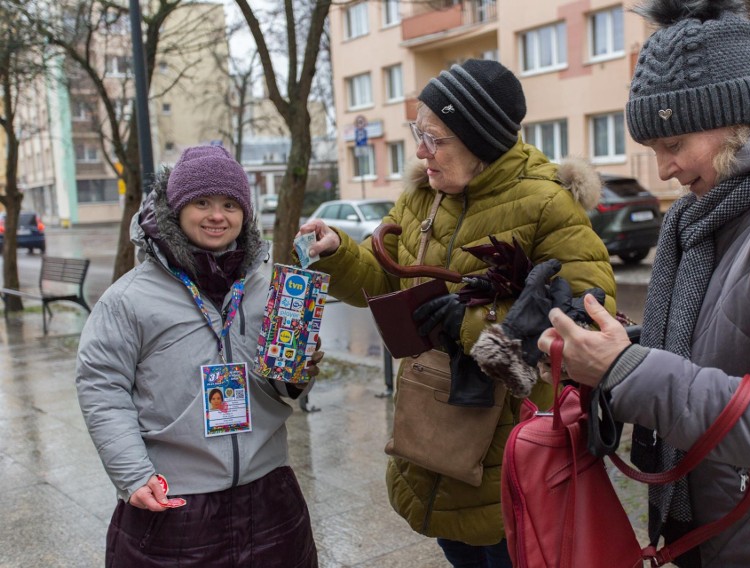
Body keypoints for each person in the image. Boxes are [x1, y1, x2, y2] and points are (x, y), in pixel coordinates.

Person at [537, 1, 750, 566]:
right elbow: (725, 348)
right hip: (727, 528)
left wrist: (626, 371)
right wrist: (618, 349)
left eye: (673, 145)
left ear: (732, 115)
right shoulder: (726, 204)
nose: (662, 171)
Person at [298, 59, 616, 567]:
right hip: (434, 438)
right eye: (417, 133)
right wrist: (341, 253)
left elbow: (586, 323)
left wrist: (473, 324)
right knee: (460, 549)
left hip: (510, 452)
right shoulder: (423, 198)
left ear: (481, 142)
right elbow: (385, 281)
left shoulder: (546, 205)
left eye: (435, 138)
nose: (420, 150)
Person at [76, 145, 321, 567]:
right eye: (202, 202)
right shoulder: (130, 298)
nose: (217, 215)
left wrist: (298, 370)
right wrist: (133, 474)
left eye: (230, 204)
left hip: (269, 499)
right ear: (176, 209)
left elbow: (279, 385)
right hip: (174, 504)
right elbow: (102, 386)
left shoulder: (265, 289)